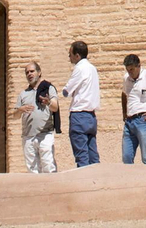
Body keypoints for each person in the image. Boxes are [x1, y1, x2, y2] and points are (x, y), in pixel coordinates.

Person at [10, 60, 60, 173]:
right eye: (27, 72)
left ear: (39, 72)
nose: (29, 74)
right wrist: (20, 110)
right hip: (28, 137)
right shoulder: (23, 94)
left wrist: (48, 102)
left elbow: (55, 107)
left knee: (48, 165)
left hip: (45, 134)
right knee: (32, 170)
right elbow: (15, 116)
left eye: (32, 71)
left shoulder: (48, 89)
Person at [59, 39, 100, 167]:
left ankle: (85, 184)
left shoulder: (79, 68)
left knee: (81, 157)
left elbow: (66, 91)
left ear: (77, 55)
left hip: (79, 115)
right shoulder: (93, 69)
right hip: (91, 116)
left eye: (70, 54)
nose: (69, 57)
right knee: (93, 156)